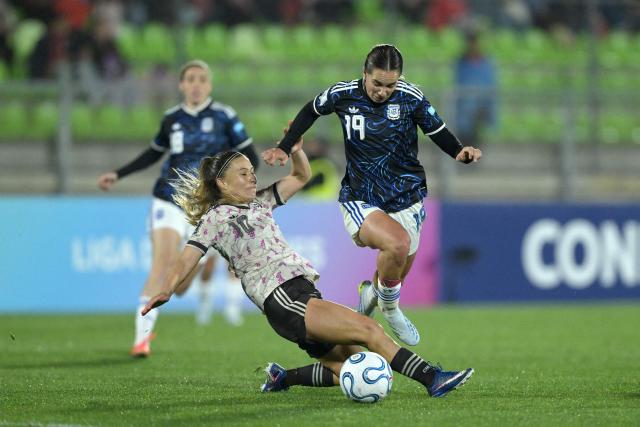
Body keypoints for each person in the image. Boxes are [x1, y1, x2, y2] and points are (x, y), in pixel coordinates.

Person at [140, 142, 474, 398]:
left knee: (354, 364)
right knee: (368, 330)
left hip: (297, 297)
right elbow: (188, 258)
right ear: (222, 184)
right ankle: (432, 379)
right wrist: (167, 288)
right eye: (243, 173)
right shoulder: (215, 218)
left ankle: (282, 377)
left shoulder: (260, 201)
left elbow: (300, 176)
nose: (251, 176)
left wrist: (297, 151)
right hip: (283, 298)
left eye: (251, 171)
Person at [262, 44, 482, 347]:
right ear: (365, 74)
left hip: (407, 194)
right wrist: (284, 146)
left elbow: (437, 129)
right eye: (377, 83)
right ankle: (390, 309)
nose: (383, 91)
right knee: (398, 244)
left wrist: (459, 151)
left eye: (390, 85)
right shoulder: (343, 94)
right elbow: (310, 110)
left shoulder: (411, 97)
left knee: (396, 265)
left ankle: (372, 295)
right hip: (361, 196)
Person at [97, 59, 257, 357]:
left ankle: (195, 263)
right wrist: (118, 174)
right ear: (182, 85)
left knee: (180, 287)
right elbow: (152, 154)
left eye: (201, 79)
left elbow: (251, 158)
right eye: (190, 79)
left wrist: (239, 191)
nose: (195, 84)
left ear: (209, 85)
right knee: (162, 264)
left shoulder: (224, 117)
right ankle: (141, 339)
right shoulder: (172, 118)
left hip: (203, 208)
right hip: (167, 199)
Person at [453, 31, 497, 147]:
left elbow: (490, 91)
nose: (473, 45)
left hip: (481, 111)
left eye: (475, 42)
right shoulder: (460, 63)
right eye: (470, 42)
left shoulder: (487, 63)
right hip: (464, 115)